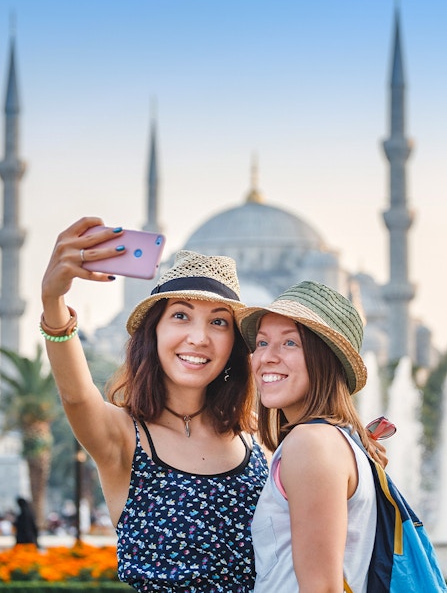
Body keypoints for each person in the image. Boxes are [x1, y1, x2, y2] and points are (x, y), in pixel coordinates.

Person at [41, 217, 269, 592]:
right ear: (155, 331)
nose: (199, 337)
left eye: (219, 323)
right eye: (181, 316)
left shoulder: (255, 434)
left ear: (233, 346)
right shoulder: (123, 437)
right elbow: (76, 396)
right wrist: (53, 301)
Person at [236, 280, 379, 593]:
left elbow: (322, 588)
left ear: (326, 359)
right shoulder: (337, 440)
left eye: (290, 343)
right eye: (261, 343)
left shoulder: (311, 443)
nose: (267, 358)